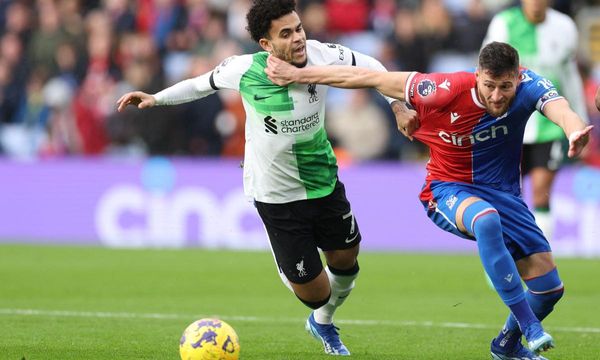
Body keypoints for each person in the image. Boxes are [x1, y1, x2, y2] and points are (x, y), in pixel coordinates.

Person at [116, 0, 415, 356]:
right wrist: (156, 98)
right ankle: (296, 278)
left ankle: (323, 323)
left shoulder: (323, 55)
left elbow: (373, 69)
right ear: (266, 45)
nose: (299, 38)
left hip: (323, 179)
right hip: (275, 194)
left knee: (347, 263)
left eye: (299, 28)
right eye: (286, 34)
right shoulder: (243, 70)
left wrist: (397, 105)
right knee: (315, 292)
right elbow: (201, 84)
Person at [265, 41, 593, 359]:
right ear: (477, 75)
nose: (496, 95)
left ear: (517, 79)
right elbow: (368, 78)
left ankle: (506, 346)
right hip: (447, 189)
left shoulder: (530, 84)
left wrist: (574, 131)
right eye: (489, 85)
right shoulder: (442, 88)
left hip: (505, 195)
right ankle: (530, 326)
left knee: (549, 289)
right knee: (485, 219)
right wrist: (298, 75)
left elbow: (563, 111)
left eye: (505, 87)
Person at [482, 0, 589, 242]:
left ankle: (542, 257)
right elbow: (484, 72)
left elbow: (569, 75)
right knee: (507, 196)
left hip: (548, 125)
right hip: (509, 124)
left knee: (542, 194)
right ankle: (504, 257)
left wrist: (577, 120)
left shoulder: (565, 27)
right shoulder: (503, 24)